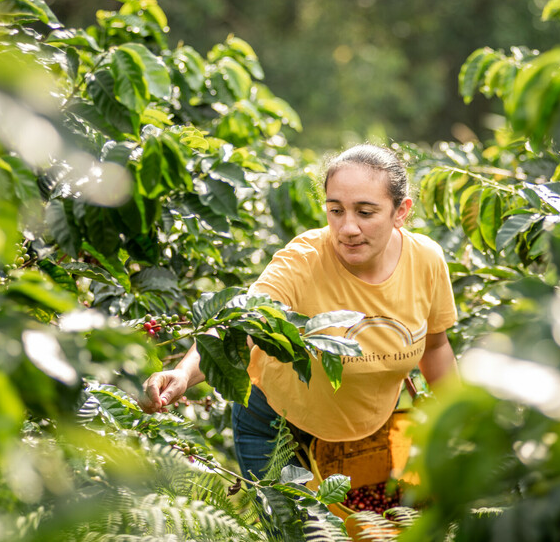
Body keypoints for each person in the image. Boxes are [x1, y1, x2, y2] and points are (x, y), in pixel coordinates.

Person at [140, 143, 458, 480]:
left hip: (367, 434)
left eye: (365, 213)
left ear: (401, 211)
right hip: (275, 429)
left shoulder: (426, 259)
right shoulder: (302, 260)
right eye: (336, 210)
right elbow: (243, 322)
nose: (348, 228)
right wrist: (184, 373)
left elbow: (436, 347)